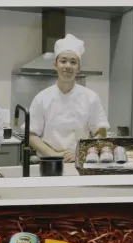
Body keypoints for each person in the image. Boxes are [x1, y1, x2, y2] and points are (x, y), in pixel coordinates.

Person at [28, 34, 110, 163]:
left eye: (73, 62)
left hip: (80, 160)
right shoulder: (41, 98)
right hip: (49, 162)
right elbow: (31, 135)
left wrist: (81, 151)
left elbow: (102, 132)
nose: (68, 66)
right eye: (63, 61)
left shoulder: (91, 97)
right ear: (55, 65)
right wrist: (54, 154)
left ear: (79, 68)